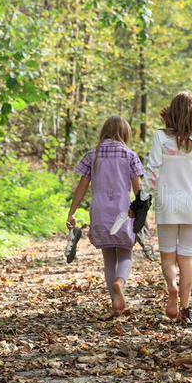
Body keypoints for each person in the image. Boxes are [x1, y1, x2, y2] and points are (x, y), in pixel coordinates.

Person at [66, 115, 145, 316]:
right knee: (125, 252)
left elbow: (81, 187)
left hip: (100, 211)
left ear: (104, 132)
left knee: (108, 257)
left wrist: (72, 212)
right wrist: (142, 214)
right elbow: (138, 190)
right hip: (123, 211)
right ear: (125, 133)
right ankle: (120, 282)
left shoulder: (92, 156)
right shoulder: (130, 155)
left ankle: (115, 304)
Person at [146, 91, 192, 325]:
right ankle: (185, 306)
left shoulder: (159, 137)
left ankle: (171, 287)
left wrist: (141, 196)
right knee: (186, 258)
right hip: (191, 202)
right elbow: (187, 125)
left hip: (167, 202)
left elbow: (152, 170)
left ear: (171, 113)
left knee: (168, 256)